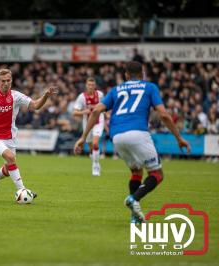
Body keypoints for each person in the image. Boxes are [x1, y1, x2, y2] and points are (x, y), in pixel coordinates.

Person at [74, 61, 190, 224]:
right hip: (138, 133)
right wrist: (179, 138)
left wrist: (82, 137)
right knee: (157, 174)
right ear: (142, 74)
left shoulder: (116, 90)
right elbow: (163, 115)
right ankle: (133, 198)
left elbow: (96, 111)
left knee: (136, 172)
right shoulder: (149, 87)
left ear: (126, 75)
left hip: (117, 137)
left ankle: (134, 216)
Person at [0, 68, 57, 198]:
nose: (6, 83)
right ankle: (23, 190)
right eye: (3, 81)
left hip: (10, 138)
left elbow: (35, 105)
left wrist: (46, 96)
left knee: (9, 168)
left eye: (8, 80)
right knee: (10, 158)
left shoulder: (16, 96)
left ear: (12, 81)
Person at [72, 77, 105, 176]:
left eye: (92, 85)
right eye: (89, 85)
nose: (91, 87)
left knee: (95, 143)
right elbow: (74, 113)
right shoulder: (82, 97)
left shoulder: (100, 95)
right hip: (87, 123)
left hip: (99, 121)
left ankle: (95, 166)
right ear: (86, 85)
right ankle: (95, 160)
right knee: (90, 145)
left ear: (95, 86)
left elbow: (104, 107)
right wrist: (84, 112)